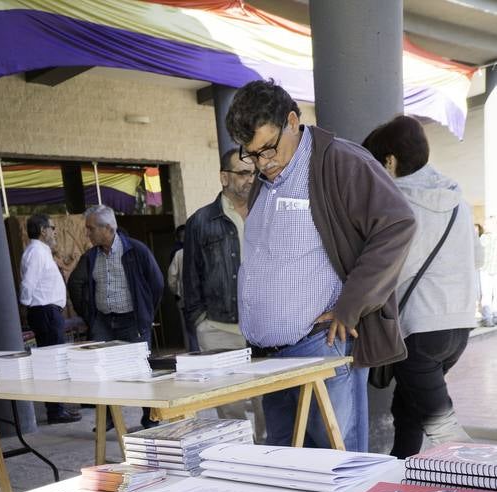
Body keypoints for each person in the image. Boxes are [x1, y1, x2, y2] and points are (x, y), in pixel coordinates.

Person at [224, 80, 416, 451]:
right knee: (287, 470)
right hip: (270, 358)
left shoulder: (341, 162)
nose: (263, 163)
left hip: (320, 348)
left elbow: (398, 224)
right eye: (252, 154)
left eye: (268, 148)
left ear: (292, 121)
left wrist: (352, 305)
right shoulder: (265, 180)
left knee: (336, 466)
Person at [363, 115, 480, 458]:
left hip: (420, 331)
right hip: (458, 326)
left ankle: (482, 477)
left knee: (443, 429)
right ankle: (403, 473)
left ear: (390, 161)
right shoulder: (457, 200)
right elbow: (476, 257)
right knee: (408, 410)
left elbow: (389, 271)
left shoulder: (397, 206)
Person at [183, 150, 265, 441]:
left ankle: (268, 452)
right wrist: (200, 321)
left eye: (254, 173)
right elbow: (190, 276)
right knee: (229, 406)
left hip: (265, 328)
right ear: (224, 177)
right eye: (243, 173)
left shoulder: (267, 212)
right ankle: (240, 455)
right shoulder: (201, 221)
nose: (250, 179)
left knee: (269, 401)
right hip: (218, 329)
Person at [68, 205, 164, 429]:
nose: (87, 234)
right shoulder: (91, 256)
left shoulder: (136, 251)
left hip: (132, 321)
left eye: (91, 229)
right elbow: (75, 283)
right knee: (102, 373)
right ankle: (110, 418)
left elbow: (157, 283)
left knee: (140, 371)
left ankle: (150, 418)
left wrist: (145, 313)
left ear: (108, 228)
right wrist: (90, 316)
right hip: (103, 322)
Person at [19, 215, 81, 425]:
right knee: (51, 363)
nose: (55, 232)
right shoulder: (36, 252)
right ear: (42, 230)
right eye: (52, 228)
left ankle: (58, 407)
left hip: (46, 311)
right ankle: (55, 411)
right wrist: (28, 304)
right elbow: (28, 284)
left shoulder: (41, 251)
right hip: (44, 311)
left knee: (54, 361)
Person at [167, 224, 198, 351]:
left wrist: (178, 294)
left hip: (187, 300)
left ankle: (196, 357)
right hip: (207, 299)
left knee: (192, 333)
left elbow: (172, 279)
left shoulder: (178, 254)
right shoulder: (202, 249)